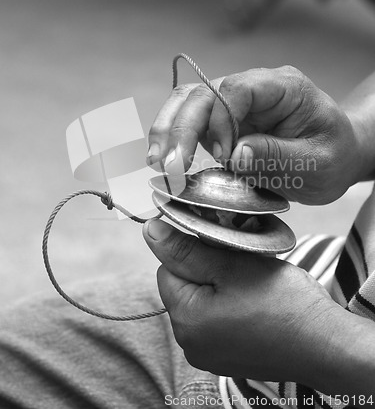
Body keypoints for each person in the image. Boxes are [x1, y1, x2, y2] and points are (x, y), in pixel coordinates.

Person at [1, 65, 374, 408]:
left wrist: (324, 345)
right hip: (309, 281)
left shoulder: (312, 340)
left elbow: (321, 343)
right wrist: (356, 137)